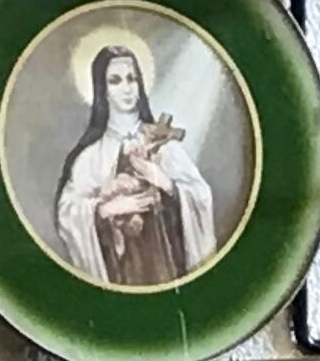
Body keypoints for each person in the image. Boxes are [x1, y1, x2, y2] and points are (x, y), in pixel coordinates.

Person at [53, 41, 216, 286]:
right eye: (115, 81)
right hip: (118, 276)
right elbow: (67, 213)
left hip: (167, 271)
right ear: (102, 89)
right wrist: (103, 210)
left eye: (132, 78)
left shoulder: (166, 147)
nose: (127, 88)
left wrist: (168, 185)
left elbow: (201, 196)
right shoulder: (90, 157)